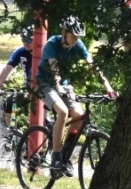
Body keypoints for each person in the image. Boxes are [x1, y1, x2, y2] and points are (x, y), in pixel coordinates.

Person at [37, 17, 116, 178]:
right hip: (45, 83)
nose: (75, 40)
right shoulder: (52, 44)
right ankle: (56, 157)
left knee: (79, 116)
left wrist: (107, 85)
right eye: (73, 36)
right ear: (64, 32)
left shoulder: (78, 44)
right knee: (63, 112)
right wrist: (58, 85)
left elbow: (92, 64)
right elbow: (54, 67)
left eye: (77, 37)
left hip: (64, 85)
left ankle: (65, 155)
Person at [0, 27, 39, 131]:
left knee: (38, 117)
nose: (26, 43)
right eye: (23, 40)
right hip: (28, 89)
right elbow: (7, 69)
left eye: (29, 40)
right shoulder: (20, 52)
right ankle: (13, 132)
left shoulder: (43, 52)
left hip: (42, 89)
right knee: (10, 103)